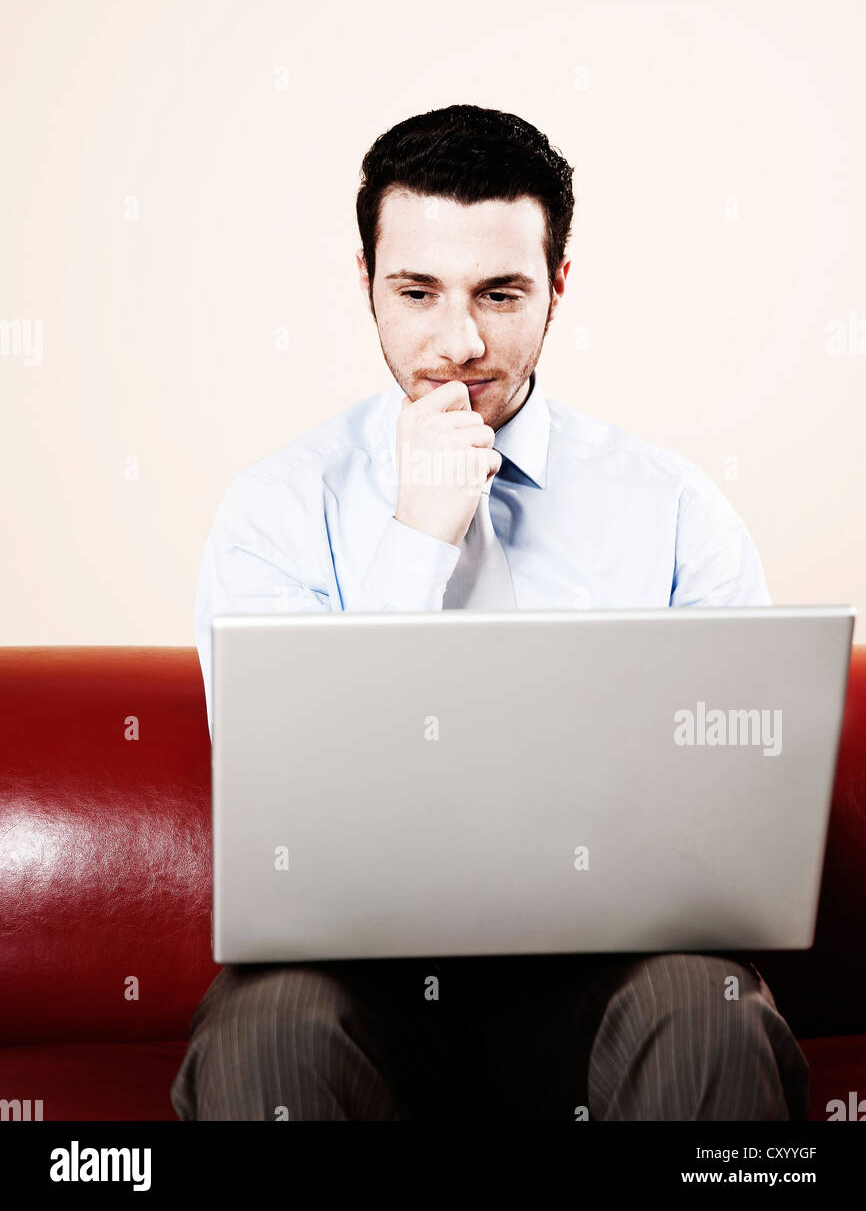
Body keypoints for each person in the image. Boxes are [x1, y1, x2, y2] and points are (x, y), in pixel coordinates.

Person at [171, 104, 809, 1121]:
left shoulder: (675, 506)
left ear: (558, 287)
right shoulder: (274, 509)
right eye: (415, 291)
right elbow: (293, 787)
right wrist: (419, 530)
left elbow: (739, 800)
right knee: (267, 1031)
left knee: (705, 1003)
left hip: (605, 984)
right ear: (365, 283)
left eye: (499, 293)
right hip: (351, 986)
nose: (458, 342)